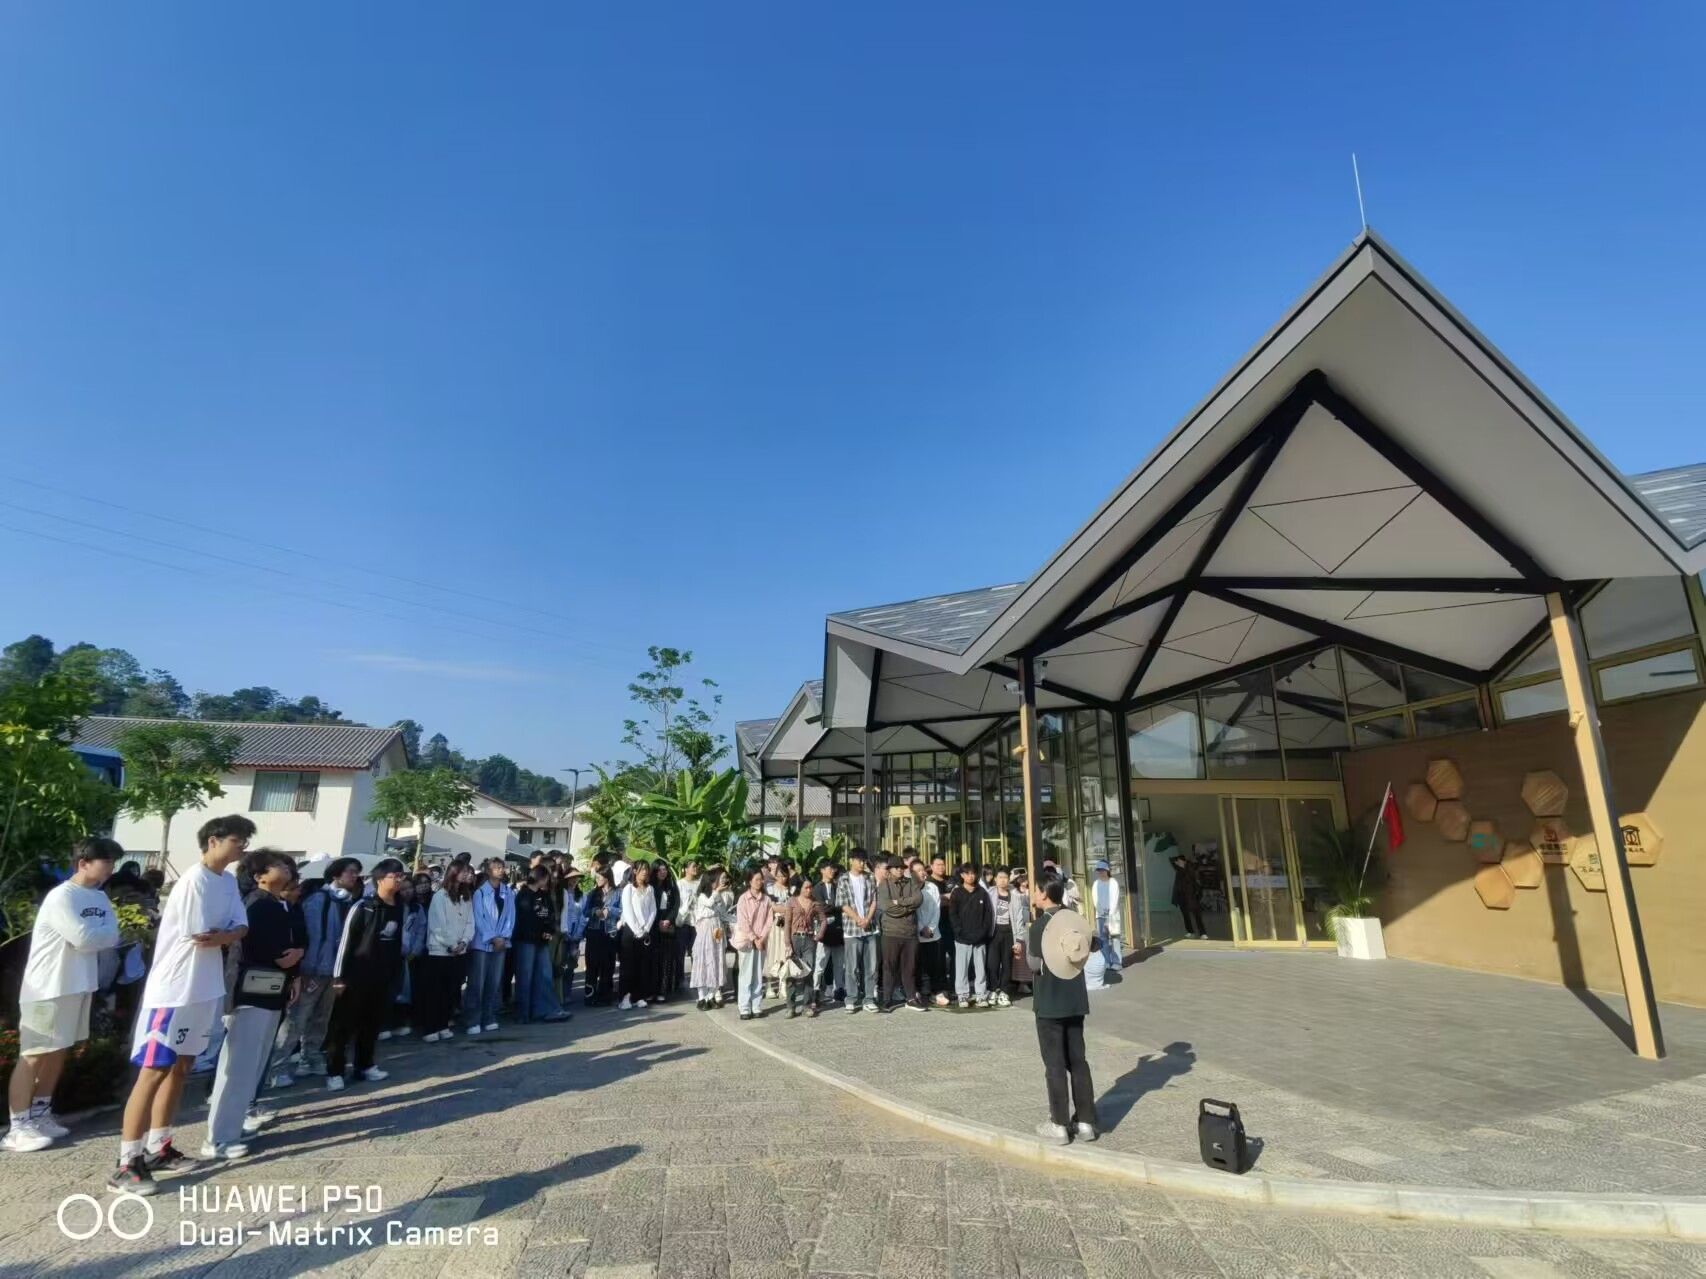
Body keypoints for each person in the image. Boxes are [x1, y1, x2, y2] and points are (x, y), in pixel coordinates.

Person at [109, 815, 252, 1194]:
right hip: (173, 991)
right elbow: (202, 935)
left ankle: (160, 1146)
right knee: (154, 1070)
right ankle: (127, 1162)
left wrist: (228, 934)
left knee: (181, 1067)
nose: (243, 847)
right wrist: (227, 934)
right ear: (213, 840)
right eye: (238, 839)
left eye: (245, 841)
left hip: (204, 988)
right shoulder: (193, 880)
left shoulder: (228, 882)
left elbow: (241, 926)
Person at [5, 837, 121, 1154]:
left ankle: (41, 1113)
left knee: (58, 1052)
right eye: (107, 861)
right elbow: (83, 938)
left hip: (79, 986)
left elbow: (112, 935)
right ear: (83, 862)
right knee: (34, 1054)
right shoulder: (61, 896)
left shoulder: (99, 897)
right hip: (47, 988)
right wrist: (98, 935)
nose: (111, 868)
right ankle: (18, 1126)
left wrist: (97, 936)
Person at [204, 851, 303, 1159]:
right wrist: (288, 956)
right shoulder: (256, 904)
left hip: (271, 990)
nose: (287, 869)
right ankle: (218, 1137)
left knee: (253, 1064)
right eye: (279, 865)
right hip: (251, 993)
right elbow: (255, 946)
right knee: (238, 1066)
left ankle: (233, 1126)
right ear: (260, 876)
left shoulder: (277, 903)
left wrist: (295, 960)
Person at [323, 859, 407, 1090]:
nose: (399, 880)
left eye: (401, 876)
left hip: (383, 977)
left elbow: (397, 942)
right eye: (394, 876)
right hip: (356, 976)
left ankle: (365, 1065)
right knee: (343, 1025)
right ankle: (335, 1071)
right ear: (379, 879)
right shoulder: (364, 906)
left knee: (372, 1024)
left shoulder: (399, 906)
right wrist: (339, 978)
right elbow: (346, 943)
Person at [1029, 876, 1098, 1146]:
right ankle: (1086, 1122)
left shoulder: (1039, 926)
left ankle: (1059, 1123)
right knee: (1078, 1061)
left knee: (1054, 1064)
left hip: (1049, 1001)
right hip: (1075, 999)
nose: (1034, 894)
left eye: (1036, 890)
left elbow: (1033, 964)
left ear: (1045, 894)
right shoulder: (1075, 920)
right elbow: (1092, 944)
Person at [278, 856, 360, 1078]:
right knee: (296, 1020)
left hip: (332, 971)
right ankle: (277, 1068)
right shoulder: (318, 900)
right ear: (336, 874)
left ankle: (310, 1059)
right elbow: (313, 937)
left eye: (356, 872)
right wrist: (307, 970)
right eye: (350, 871)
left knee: (321, 1020)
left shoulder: (346, 902)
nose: (355, 876)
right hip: (312, 970)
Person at [421, 861, 474, 1042]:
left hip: (459, 951)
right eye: (463, 871)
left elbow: (470, 922)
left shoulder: (466, 896)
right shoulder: (440, 896)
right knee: (436, 991)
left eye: (467, 871)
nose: (466, 874)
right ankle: (431, 1027)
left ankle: (443, 1024)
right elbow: (437, 925)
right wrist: (451, 944)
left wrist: (464, 941)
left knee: (451, 990)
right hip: (440, 951)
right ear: (453, 872)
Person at [464, 859, 515, 1035]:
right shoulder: (480, 893)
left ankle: (489, 1016)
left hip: (501, 942)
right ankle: (473, 1019)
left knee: (494, 982)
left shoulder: (508, 892)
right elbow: (479, 918)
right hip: (482, 943)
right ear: (488, 871)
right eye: (496, 867)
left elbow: (511, 916)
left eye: (502, 867)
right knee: (477, 983)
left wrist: (503, 936)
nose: (501, 870)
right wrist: (492, 937)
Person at [514, 866, 570, 1023]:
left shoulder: (543, 895)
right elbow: (524, 919)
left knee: (545, 974)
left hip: (542, 941)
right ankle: (523, 1014)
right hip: (526, 941)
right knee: (525, 976)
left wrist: (548, 931)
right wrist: (539, 932)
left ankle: (546, 1009)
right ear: (541, 877)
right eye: (546, 877)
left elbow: (550, 915)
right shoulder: (523, 895)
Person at [876, 855, 925, 1012]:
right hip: (891, 932)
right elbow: (887, 907)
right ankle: (887, 999)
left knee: (909, 967)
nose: (899, 870)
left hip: (910, 932)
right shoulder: (884, 884)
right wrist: (907, 908)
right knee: (889, 967)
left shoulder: (911, 882)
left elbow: (918, 899)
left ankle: (911, 998)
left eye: (902, 867)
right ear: (890, 869)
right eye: (896, 867)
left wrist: (900, 902)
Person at [383, 875, 428, 1036]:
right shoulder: (392, 907)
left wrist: (415, 950)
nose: (407, 892)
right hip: (393, 954)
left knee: (408, 990)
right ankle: (387, 1023)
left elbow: (421, 930)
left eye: (409, 888)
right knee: (391, 990)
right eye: (403, 889)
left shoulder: (417, 908)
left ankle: (404, 1021)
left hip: (411, 954)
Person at [836, 850, 879, 1013]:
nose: (862, 864)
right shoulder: (843, 879)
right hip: (851, 929)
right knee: (852, 967)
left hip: (870, 928)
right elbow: (843, 904)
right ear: (851, 861)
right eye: (859, 860)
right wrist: (858, 919)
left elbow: (874, 901)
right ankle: (851, 998)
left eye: (864, 861)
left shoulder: (870, 877)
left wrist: (867, 919)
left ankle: (869, 998)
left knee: (871, 967)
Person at [948, 861, 995, 1009]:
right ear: (962, 875)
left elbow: (988, 915)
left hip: (979, 938)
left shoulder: (982, 893)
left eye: (973, 873)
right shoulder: (957, 893)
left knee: (980, 968)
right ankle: (962, 995)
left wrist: (983, 933)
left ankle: (981, 995)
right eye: (967, 873)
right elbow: (953, 915)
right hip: (962, 938)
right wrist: (960, 932)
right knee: (961, 968)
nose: (971, 876)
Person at [732, 870, 773, 1021]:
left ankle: (756, 1006)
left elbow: (769, 920)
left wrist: (762, 938)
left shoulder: (766, 899)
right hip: (747, 941)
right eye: (757, 879)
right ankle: (744, 1007)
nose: (760, 882)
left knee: (757, 974)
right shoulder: (743, 899)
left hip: (761, 941)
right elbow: (743, 921)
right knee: (745, 975)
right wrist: (754, 938)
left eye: (761, 879)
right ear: (749, 881)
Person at [689, 869, 732, 1009]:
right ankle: (702, 997)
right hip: (706, 930)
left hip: (717, 929)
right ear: (713, 880)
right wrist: (717, 891)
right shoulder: (702, 896)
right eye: (721, 878)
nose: (724, 881)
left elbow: (723, 913)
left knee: (716, 960)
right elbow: (708, 903)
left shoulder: (719, 895)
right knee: (704, 961)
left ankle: (711, 995)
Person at [617, 861, 658, 1011]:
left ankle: (639, 996)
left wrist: (646, 928)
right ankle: (625, 997)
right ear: (635, 871)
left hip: (645, 931)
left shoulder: (650, 889)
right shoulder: (628, 889)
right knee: (628, 966)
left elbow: (653, 910)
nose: (645, 872)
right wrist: (637, 930)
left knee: (643, 965)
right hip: (631, 932)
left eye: (646, 869)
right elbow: (628, 912)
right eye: (642, 869)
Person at [782, 875, 824, 1018]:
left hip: (809, 940)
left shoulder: (815, 903)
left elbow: (823, 920)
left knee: (808, 972)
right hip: (794, 939)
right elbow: (787, 923)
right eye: (806, 887)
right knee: (791, 974)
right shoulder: (792, 902)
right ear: (800, 888)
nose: (809, 890)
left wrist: (818, 935)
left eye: (810, 887)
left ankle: (807, 1005)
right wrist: (787, 943)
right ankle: (790, 1006)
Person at [913, 860, 948, 1007]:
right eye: (918, 870)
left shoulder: (932, 887)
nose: (922, 873)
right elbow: (913, 912)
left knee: (936, 965)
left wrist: (931, 928)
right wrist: (922, 928)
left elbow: (937, 909)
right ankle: (922, 993)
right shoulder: (910, 889)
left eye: (923, 869)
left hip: (934, 933)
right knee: (920, 966)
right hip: (917, 934)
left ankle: (936, 992)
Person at [582, 866, 619, 1005]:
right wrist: (595, 911)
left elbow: (622, 910)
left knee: (607, 965)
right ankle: (590, 996)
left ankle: (605, 996)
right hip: (594, 932)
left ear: (607, 877)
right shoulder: (593, 893)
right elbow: (585, 911)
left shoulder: (618, 893)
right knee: (592, 965)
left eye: (599, 877)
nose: (597, 879)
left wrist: (610, 911)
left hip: (610, 932)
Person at [811, 859, 842, 1004]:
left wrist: (834, 907)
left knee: (839, 963)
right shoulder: (817, 888)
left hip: (838, 929)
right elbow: (820, 907)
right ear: (822, 870)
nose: (832, 871)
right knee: (820, 963)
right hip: (824, 930)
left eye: (833, 869)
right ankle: (816, 990)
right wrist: (836, 907)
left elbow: (842, 904)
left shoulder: (837, 886)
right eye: (829, 868)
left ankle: (839, 990)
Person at [651, 861, 682, 1003]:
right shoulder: (650, 887)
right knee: (653, 961)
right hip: (653, 925)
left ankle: (663, 990)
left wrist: (668, 920)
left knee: (666, 960)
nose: (663, 872)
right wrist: (657, 922)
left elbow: (676, 905)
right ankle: (651, 990)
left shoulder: (671, 885)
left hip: (668, 926)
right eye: (660, 870)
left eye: (665, 869)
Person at [988, 867, 1017, 1007]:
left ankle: (1004, 991)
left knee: (1007, 963)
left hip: (1009, 933)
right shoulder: (989, 894)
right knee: (992, 963)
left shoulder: (1014, 896)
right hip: (994, 933)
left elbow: (1018, 918)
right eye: (1000, 877)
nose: (1003, 880)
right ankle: (993, 989)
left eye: (1005, 877)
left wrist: (1018, 940)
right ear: (995, 879)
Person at [675, 860, 701, 1001]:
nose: (696, 868)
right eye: (693, 866)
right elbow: (677, 903)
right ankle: (680, 979)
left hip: (696, 923)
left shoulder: (699, 884)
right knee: (680, 952)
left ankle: (696, 978)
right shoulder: (680, 884)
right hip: (683, 922)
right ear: (685, 869)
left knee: (695, 952)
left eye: (696, 866)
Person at [1090, 861, 1123, 971]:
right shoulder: (1096, 884)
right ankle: (1106, 961)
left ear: (1107, 870)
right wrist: (1102, 912)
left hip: (1113, 915)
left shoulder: (1113, 882)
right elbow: (1095, 900)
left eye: (1102, 870)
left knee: (1115, 938)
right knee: (1103, 939)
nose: (1100, 872)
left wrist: (1109, 914)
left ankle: (1117, 962)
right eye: (1099, 870)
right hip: (1100, 916)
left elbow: (1115, 900)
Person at [1171, 854, 1207, 939]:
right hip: (1182, 896)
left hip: (1191, 896)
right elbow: (1171, 860)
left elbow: (1197, 864)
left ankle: (1203, 933)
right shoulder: (1178, 870)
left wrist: (1188, 861)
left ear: (1184, 862)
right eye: (1178, 861)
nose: (1179, 863)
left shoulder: (1190, 868)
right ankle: (1190, 931)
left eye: (1180, 861)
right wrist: (1176, 861)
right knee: (1185, 915)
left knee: (1197, 915)